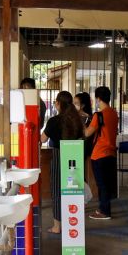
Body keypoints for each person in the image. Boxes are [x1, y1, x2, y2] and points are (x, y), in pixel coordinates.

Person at [42, 91, 85, 234]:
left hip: (59, 156)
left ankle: (57, 226)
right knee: (73, 191)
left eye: (55, 102)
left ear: (59, 103)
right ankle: (72, 224)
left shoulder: (54, 121)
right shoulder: (77, 120)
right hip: (74, 157)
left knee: (57, 191)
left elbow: (42, 139)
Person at [84, 86, 118, 220]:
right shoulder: (113, 113)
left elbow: (87, 133)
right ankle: (104, 208)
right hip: (111, 153)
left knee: (102, 184)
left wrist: (82, 123)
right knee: (107, 184)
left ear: (98, 99)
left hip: (99, 154)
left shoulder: (98, 115)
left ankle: (104, 211)